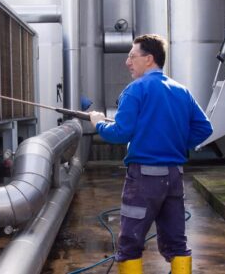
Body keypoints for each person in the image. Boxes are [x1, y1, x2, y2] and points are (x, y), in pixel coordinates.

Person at [89, 34, 213, 274]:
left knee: (130, 243)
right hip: (174, 177)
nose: (127, 62)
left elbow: (120, 133)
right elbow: (204, 128)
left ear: (149, 59)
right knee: (177, 242)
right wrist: (175, 142)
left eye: (132, 56)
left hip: (144, 179)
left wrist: (98, 123)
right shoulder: (181, 91)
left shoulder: (136, 90)